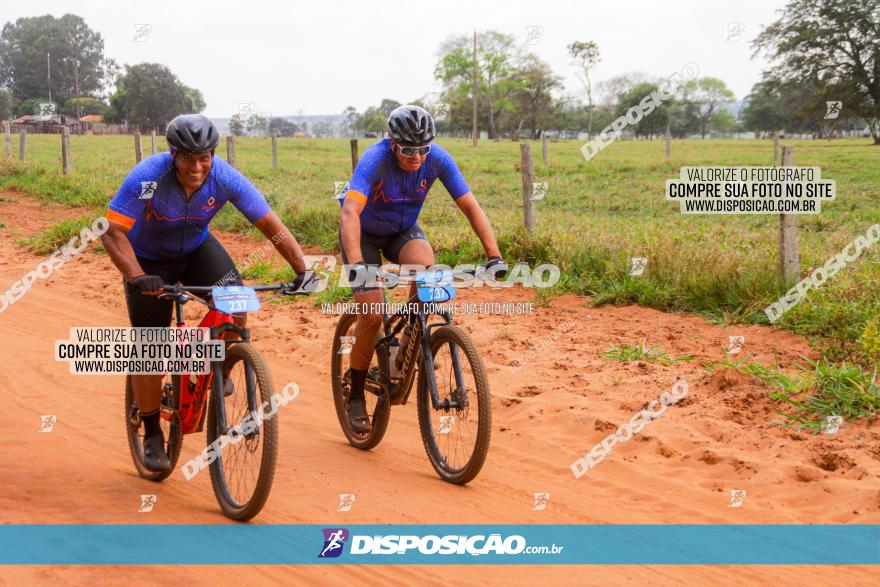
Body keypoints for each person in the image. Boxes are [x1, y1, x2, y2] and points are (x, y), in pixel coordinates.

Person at [101, 114, 313, 471]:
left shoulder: (225, 178)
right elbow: (112, 232)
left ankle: (223, 366)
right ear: (173, 155)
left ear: (213, 154)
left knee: (237, 299)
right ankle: (152, 431)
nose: (196, 166)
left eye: (204, 157)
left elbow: (270, 225)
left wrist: (302, 270)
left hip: (196, 250)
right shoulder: (149, 178)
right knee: (151, 345)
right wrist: (137, 276)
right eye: (187, 157)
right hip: (148, 262)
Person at [338, 104, 505, 433]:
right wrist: (358, 265)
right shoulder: (376, 159)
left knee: (427, 268)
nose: (416, 156)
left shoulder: (438, 158)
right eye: (408, 149)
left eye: (423, 149)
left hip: (402, 232)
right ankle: (356, 393)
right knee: (371, 316)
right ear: (392, 141)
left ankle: (408, 338)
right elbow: (349, 214)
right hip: (364, 235)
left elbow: (470, 206)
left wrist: (494, 255)